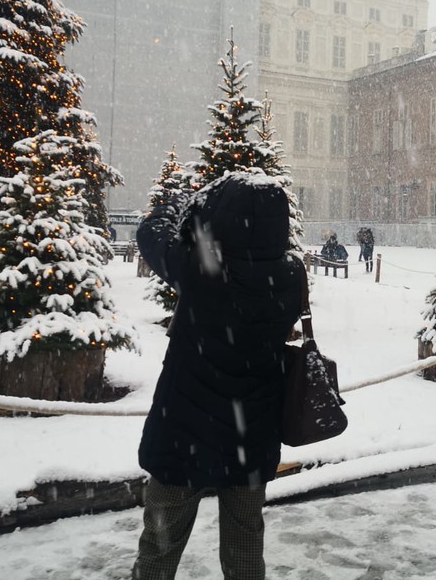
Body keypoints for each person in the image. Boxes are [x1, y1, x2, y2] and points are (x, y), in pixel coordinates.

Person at [132, 172, 302, 580]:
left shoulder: (203, 271)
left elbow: (150, 234)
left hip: (185, 435)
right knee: (246, 545)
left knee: (159, 545)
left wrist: (180, 205)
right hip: (252, 434)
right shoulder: (292, 275)